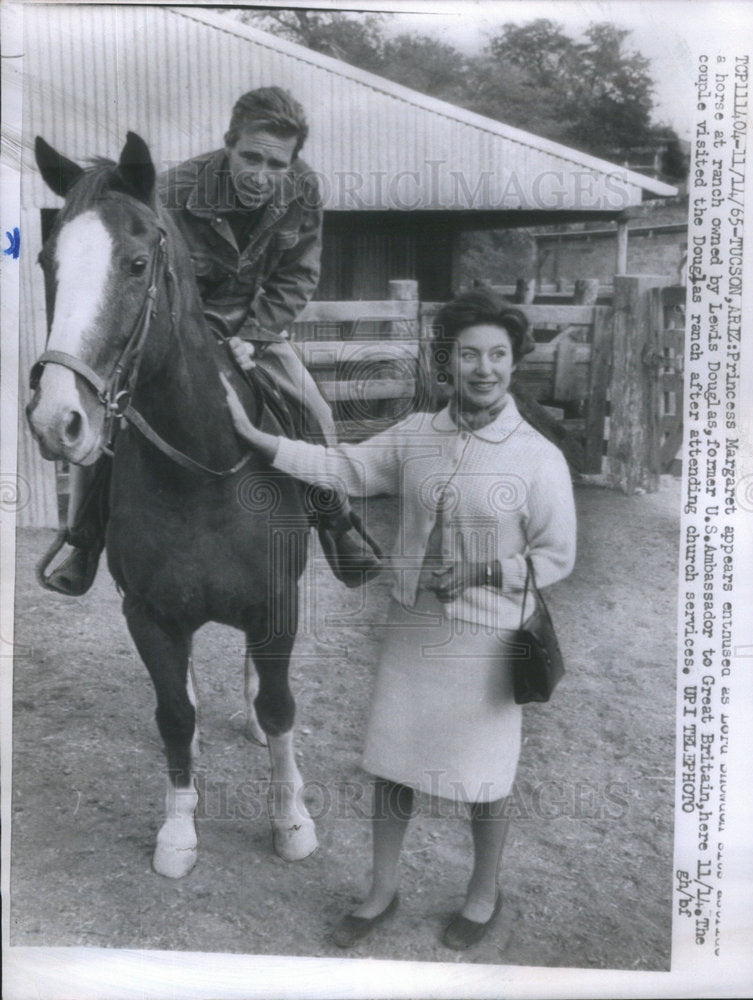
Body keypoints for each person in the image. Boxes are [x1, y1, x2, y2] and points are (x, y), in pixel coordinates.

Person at [220, 289, 577, 950]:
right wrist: (259, 440)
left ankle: (481, 895)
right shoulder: (417, 435)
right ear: (448, 361)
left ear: (512, 362)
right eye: (468, 354)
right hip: (413, 627)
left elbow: (556, 556)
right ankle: (380, 892)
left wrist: (480, 572)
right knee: (394, 765)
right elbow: (344, 468)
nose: (483, 368)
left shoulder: (536, 457)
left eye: (497, 354)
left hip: (491, 635)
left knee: (485, 777)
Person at [40, 87, 380, 595]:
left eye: (276, 163)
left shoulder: (304, 190)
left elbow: (297, 277)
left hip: (256, 328)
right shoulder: (171, 192)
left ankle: (338, 524)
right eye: (250, 157)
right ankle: (84, 539)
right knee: (109, 409)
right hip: (179, 324)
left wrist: (254, 336)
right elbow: (157, 277)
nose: (261, 175)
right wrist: (206, 334)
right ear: (228, 143)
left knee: (317, 410)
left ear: (294, 161)